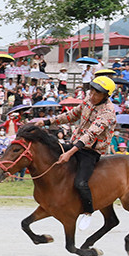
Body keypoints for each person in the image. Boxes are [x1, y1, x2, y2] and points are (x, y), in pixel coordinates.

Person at [34, 75, 117, 231]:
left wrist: (69, 153)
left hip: (90, 151)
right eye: (91, 91)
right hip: (75, 142)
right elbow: (71, 115)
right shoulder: (88, 99)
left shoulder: (108, 112)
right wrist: (46, 122)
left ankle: (87, 211)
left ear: (106, 96)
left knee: (80, 182)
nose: (92, 96)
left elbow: (90, 135)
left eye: (97, 94)